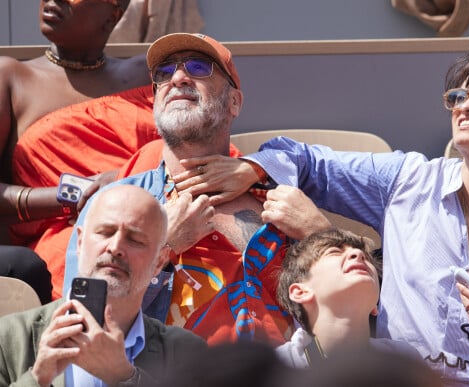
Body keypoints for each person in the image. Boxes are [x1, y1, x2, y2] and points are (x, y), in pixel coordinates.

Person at [179, 51, 469, 385]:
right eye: (457, 96)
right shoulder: (406, 180)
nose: (466, 105)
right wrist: (252, 169)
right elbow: (304, 159)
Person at [64, 32, 329, 346]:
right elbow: (84, 322)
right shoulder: (111, 207)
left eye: (198, 67)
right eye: (164, 72)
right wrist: (161, 247)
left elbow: (356, 304)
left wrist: (320, 235)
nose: (177, 77)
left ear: (234, 102)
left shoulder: (282, 198)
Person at [0, 0, 157, 299]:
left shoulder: (144, 74)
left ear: (113, 14)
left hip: (157, 237)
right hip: (66, 249)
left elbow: (186, 153)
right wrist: (79, 194)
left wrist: (127, 179)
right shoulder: (10, 78)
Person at [0, 184, 207, 386]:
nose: (115, 247)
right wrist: (37, 379)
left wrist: (125, 376)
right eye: (105, 232)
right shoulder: (8, 337)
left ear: (160, 262)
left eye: (135, 239)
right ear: (80, 243)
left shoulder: (186, 353)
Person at [275, 228, 419, 368]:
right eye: (335, 252)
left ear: (375, 306)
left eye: (367, 258)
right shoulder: (278, 369)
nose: (358, 254)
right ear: (301, 292)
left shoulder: (405, 361)